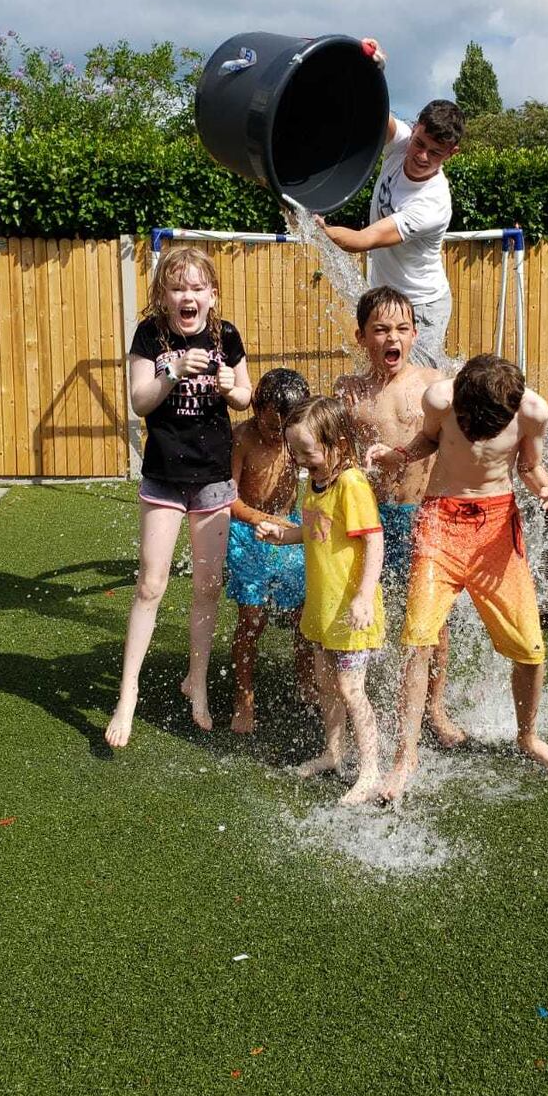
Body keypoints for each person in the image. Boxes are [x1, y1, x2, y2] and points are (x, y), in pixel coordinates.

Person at [366, 353, 548, 798]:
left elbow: (528, 467)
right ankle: (406, 757)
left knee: (530, 650)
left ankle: (528, 737)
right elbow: (427, 442)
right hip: (440, 523)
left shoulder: (533, 411)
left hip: (496, 530)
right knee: (417, 640)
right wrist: (399, 455)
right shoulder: (439, 399)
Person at [105, 244, 252, 748]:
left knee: (208, 586)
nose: (187, 295)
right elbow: (140, 399)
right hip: (164, 476)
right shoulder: (150, 335)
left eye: (197, 287)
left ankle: (198, 686)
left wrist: (232, 386)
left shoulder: (225, 335)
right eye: (177, 288)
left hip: (213, 475)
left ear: (211, 294)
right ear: (163, 296)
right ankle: (128, 693)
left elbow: (244, 396)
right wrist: (172, 370)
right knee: (151, 584)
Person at [333, 284, 463, 746]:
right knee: (364, 609)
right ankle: (357, 700)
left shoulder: (432, 384)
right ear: (361, 336)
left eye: (403, 329)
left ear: (414, 334)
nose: (393, 338)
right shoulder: (349, 391)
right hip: (370, 519)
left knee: (433, 619)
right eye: (381, 329)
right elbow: (338, 453)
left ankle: (435, 707)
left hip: (422, 513)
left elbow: (461, 439)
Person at [256, 397, 385, 806]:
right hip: (321, 609)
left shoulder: (351, 484)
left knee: (350, 688)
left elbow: (374, 540)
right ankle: (334, 752)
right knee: (328, 686)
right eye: (295, 453)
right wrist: (285, 535)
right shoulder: (313, 484)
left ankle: (370, 770)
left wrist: (364, 596)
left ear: (338, 443)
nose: (300, 461)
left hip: (351, 611)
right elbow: (315, 531)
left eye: (308, 453)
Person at [314, 40, 465, 368]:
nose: (421, 156)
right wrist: (372, 71)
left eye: (435, 153)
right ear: (417, 128)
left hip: (420, 306)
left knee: (412, 392)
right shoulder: (401, 144)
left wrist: (320, 227)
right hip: (384, 298)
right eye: (420, 143)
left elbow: (363, 240)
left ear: (451, 154)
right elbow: (374, 114)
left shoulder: (432, 204)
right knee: (379, 381)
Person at [226, 367, 315, 734]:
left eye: (285, 429)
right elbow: (228, 499)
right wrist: (263, 519)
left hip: (287, 527)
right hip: (247, 532)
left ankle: (306, 680)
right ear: (256, 410)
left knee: (303, 617)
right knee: (252, 619)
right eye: (270, 426)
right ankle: (243, 696)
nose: (278, 435)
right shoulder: (243, 439)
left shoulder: (298, 439)